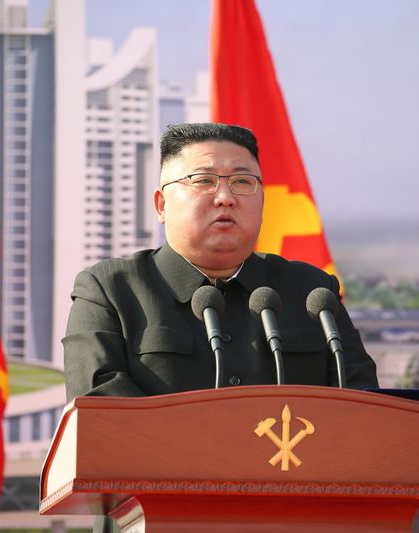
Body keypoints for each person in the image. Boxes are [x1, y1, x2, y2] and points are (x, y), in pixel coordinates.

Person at [63, 123, 378, 401]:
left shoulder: (312, 292)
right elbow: (99, 406)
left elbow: (361, 401)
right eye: (203, 180)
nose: (226, 196)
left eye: (242, 182)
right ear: (161, 205)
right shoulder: (110, 291)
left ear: (262, 203)